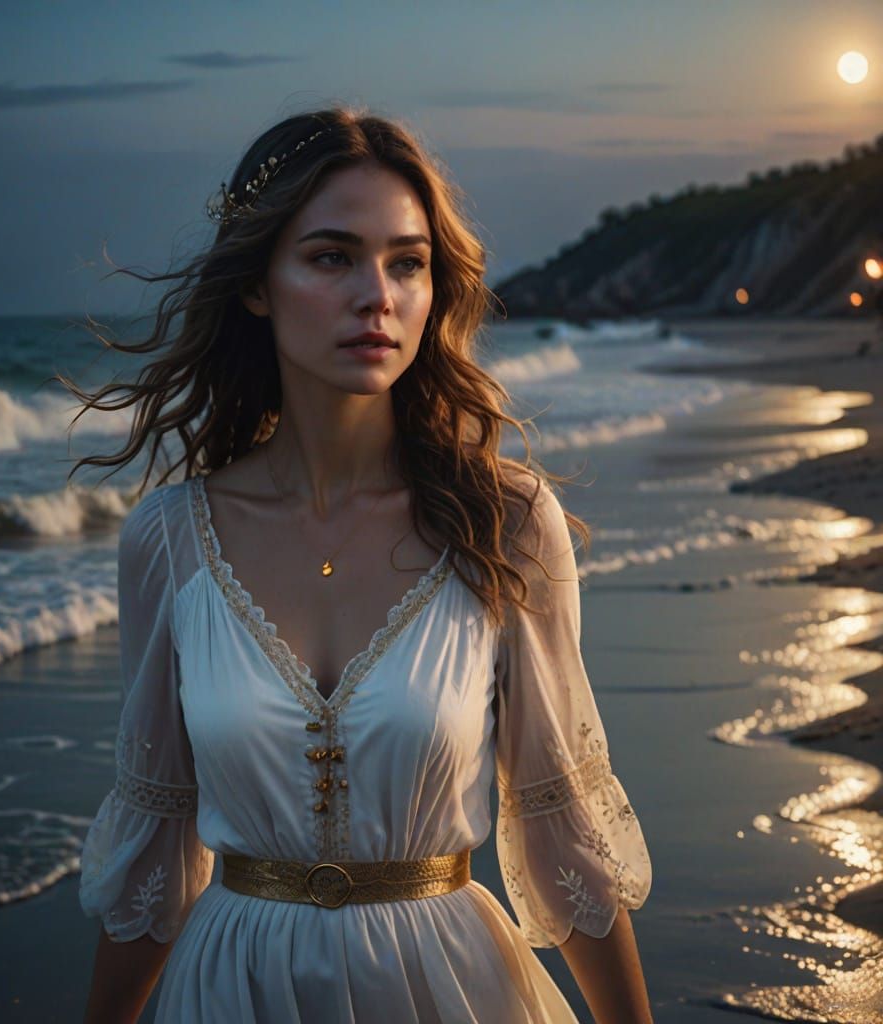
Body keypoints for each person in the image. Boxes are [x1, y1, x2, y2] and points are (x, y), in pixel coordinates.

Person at [66, 105, 654, 1024]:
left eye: (407, 262)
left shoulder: (504, 521)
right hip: (232, 990)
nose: (377, 295)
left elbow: (560, 830)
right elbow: (154, 855)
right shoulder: (169, 538)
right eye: (332, 256)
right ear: (258, 282)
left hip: (451, 986)